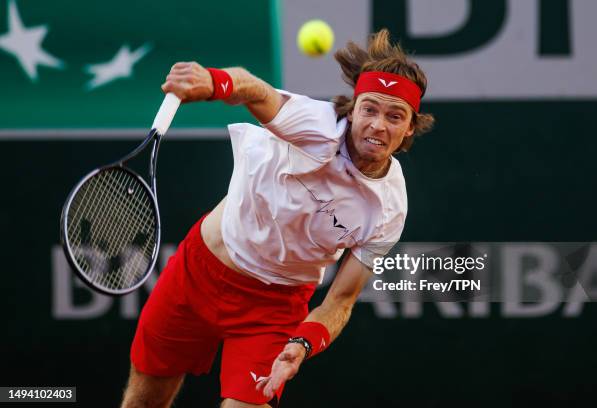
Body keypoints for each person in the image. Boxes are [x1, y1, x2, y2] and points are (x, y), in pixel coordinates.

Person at [120, 29, 434, 408]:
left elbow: (342, 300)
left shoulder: (388, 208)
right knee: (144, 399)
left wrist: (303, 343)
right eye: (369, 109)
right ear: (353, 111)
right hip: (198, 272)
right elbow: (254, 89)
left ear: (411, 127)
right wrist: (213, 81)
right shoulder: (315, 124)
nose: (378, 125)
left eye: (394, 116)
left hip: (273, 307)